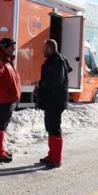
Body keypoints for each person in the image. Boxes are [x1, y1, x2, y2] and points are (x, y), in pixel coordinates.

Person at [35, 39, 71, 169]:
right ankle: (51, 155)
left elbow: (57, 81)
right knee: (50, 128)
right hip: (50, 100)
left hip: (56, 101)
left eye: (43, 48)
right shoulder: (52, 60)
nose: (42, 51)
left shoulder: (57, 61)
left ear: (49, 48)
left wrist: (42, 84)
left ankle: (56, 159)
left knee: (55, 129)